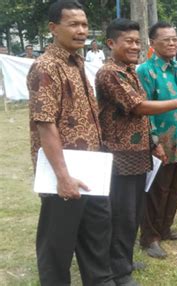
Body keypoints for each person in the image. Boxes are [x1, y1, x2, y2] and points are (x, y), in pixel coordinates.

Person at [96, 18, 177, 284]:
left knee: (132, 210)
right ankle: (121, 268)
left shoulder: (130, 70)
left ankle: (124, 261)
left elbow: (140, 116)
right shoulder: (111, 72)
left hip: (142, 148)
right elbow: (140, 107)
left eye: (135, 41)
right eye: (128, 41)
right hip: (120, 154)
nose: (134, 46)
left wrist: (154, 141)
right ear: (111, 43)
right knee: (123, 211)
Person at [27, 1, 114, 285]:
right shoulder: (46, 67)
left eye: (85, 24)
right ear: (53, 28)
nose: (81, 31)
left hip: (91, 169)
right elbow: (45, 124)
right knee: (57, 245)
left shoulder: (78, 62)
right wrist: (63, 177)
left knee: (96, 237)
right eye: (73, 24)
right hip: (64, 173)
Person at [137, 22, 177, 259]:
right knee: (157, 190)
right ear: (152, 43)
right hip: (161, 141)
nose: (173, 43)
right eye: (166, 40)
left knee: (174, 188)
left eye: (175, 39)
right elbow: (143, 109)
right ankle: (149, 237)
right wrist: (154, 142)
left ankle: (165, 228)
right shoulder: (146, 71)